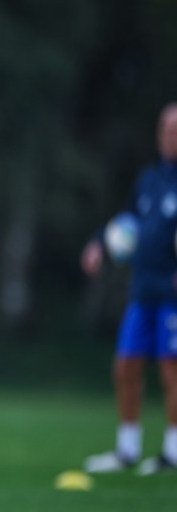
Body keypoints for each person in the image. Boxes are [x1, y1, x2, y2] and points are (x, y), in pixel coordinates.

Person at [81, 102, 177, 476]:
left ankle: (172, 453)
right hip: (143, 291)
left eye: (176, 130)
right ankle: (128, 449)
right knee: (125, 367)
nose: (170, 136)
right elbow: (127, 223)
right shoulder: (149, 180)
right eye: (166, 129)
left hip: (173, 296)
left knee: (171, 372)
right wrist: (98, 244)